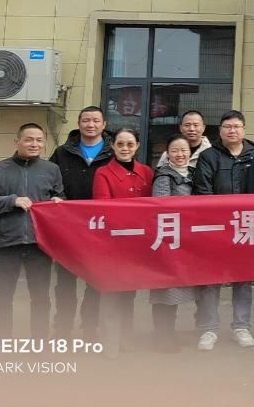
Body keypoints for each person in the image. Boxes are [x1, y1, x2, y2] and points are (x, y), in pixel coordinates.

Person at [0, 123, 64, 338]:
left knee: (41, 298)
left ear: (44, 143)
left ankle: (39, 343)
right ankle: (1, 343)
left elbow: (60, 197)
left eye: (39, 140)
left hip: (39, 245)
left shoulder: (52, 170)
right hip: (6, 244)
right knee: (3, 298)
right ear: (17, 142)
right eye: (29, 139)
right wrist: (11, 201)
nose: (34, 144)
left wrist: (58, 201)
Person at [193, 110, 254, 350]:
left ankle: (241, 326)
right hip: (215, 228)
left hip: (246, 227)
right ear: (220, 130)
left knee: (243, 279)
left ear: (244, 130)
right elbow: (202, 191)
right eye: (227, 126)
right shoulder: (208, 156)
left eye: (236, 126)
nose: (232, 130)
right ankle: (209, 329)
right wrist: (219, 221)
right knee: (211, 280)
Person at [48, 106, 112, 340]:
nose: (90, 125)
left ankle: (90, 328)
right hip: (68, 227)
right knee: (65, 281)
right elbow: (50, 183)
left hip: (100, 228)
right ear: (79, 123)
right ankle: (63, 328)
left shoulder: (113, 152)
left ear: (104, 125)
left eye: (96, 120)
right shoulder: (62, 153)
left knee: (95, 281)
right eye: (86, 120)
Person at [92, 128, 154, 358]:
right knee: (110, 292)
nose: (125, 148)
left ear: (137, 145)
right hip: (112, 243)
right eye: (120, 144)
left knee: (129, 294)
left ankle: (126, 339)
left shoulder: (146, 172)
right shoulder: (103, 173)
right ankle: (109, 343)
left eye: (130, 144)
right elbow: (103, 207)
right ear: (113, 146)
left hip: (137, 244)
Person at [149, 135, 198, 352]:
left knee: (175, 292)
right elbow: (161, 208)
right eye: (175, 150)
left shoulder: (194, 173)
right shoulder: (164, 176)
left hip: (185, 241)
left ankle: (169, 333)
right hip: (167, 240)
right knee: (164, 291)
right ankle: (162, 337)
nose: (180, 154)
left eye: (184, 150)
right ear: (167, 154)